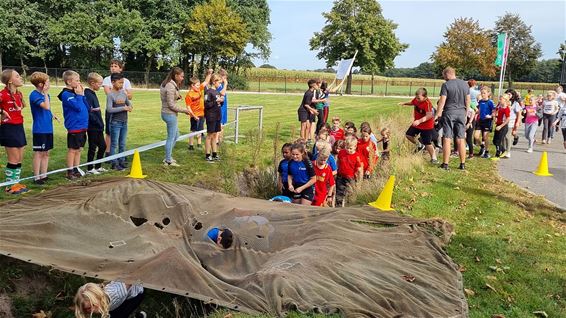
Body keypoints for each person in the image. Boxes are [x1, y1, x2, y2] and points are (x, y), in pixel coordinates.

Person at [435, 67, 470, 170]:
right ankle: (462, 164)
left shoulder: (446, 85)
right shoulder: (465, 84)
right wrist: (466, 113)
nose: (444, 78)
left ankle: (445, 164)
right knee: (461, 138)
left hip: (449, 113)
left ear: (447, 74)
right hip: (461, 113)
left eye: (444, 76)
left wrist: (437, 114)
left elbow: (442, 101)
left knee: (447, 137)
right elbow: (468, 100)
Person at [0, 69, 28, 194]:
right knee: (13, 158)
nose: (20, 77)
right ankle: (9, 186)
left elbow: (20, 107)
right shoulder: (2, 94)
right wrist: (1, 112)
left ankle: (16, 183)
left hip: (19, 127)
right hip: (8, 128)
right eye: (17, 76)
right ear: (10, 80)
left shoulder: (19, 94)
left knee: (20, 157)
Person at [58, 70, 89, 180]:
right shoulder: (66, 94)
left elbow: (86, 106)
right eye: (77, 80)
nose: (79, 82)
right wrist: (80, 96)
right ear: (69, 82)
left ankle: (76, 168)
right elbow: (78, 107)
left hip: (83, 126)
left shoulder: (77, 94)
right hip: (74, 127)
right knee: (73, 149)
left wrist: (82, 95)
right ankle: (70, 171)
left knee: (79, 149)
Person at [160, 67, 192, 167]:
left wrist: (177, 96)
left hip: (168, 113)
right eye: (181, 76)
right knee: (171, 137)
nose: (182, 78)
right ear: (176, 75)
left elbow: (169, 97)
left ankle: (168, 157)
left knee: (176, 135)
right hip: (169, 114)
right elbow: (171, 105)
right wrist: (185, 111)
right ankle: (168, 160)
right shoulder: (170, 86)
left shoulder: (169, 84)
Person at [29, 72, 56, 185]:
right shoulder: (34, 95)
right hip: (39, 129)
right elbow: (46, 106)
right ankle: (36, 177)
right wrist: (45, 93)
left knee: (46, 153)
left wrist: (52, 115)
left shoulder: (46, 95)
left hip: (48, 128)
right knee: (39, 153)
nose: (49, 83)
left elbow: (48, 109)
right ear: (41, 84)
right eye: (48, 81)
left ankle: (44, 175)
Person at [103, 59, 133, 159]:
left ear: (120, 68)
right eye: (111, 66)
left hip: (122, 115)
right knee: (109, 132)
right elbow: (109, 93)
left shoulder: (126, 81)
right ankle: (108, 153)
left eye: (115, 66)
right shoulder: (107, 79)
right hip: (113, 112)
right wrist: (122, 97)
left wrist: (123, 96)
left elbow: (130, 96)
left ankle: (121, 156)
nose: (113, 68)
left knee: (121, 138)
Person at [398, 88, 437, 163]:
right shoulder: (416, 99)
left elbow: (429, 115)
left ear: (425, 97)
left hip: (426, 126)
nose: (417, 99)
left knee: (427, 142)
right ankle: (419, 145)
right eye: (416, 97)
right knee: (408, 135)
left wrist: (419, 121)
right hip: (417, 123)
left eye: (419, 98)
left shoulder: (427, 103)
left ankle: (434, 158)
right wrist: (404, 103)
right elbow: (413, 103)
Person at [106, 73, 133, 171]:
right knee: (114, 144)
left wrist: (130, 107)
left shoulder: (123, 93)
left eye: (122, 83)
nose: (121, 85)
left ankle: (122, 161)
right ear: (113, 82)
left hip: (124, 122)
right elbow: (109, 109)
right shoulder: (110, 95)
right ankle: (114, 162)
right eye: (119, 82)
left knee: (122, 143)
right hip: (115, 123)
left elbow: (129, 104)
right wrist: (123, 108)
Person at [74, 282, 146, 318]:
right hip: (113, 304)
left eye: (93, 305)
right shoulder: (101, 303)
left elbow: (130, 280)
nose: (92, 310)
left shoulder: (117, 293)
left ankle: (140, 316)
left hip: (135, 295)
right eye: (88, 308)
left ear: (98, 297)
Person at [84, 72, 107, 174]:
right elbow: (89, 112)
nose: (101, 85)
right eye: (99, 83)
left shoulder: (93, 93)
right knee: (92, 147)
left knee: (102, 146)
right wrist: (97, 122)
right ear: (92, 83)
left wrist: (101, 123)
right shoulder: (87, 94)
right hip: (92, 126)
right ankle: (89, 168)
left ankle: (98, 166)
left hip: (98, 126)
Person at [185, 69, 212, 150]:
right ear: (192, 85)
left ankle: (199, 144)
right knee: (193, 130)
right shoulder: (189, 95)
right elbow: (188, 107)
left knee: (200, 129)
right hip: (194, 115)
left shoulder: (199, 89)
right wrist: (193, 116)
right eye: (197, 85)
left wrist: (209, 73)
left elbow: (206, 82)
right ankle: (191, 145)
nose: (199, 86)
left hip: (202, 114)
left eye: (199, 85)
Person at [335, 136, 363, 207]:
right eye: (347, 148)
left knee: (349, 194)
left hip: (350, 178)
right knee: (339, 192)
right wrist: (336, 171)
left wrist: (359, 182)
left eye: (350, 148)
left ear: (355, 147)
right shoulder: (341, 153)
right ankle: (338, 206)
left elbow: (359, 170)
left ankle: (348, 207)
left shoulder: (357, 156)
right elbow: (338, 162)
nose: (348, 150)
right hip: (341, 176)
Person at [204, 74, 225, 161]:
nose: (220, 85)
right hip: (211, 116)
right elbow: (207, 104)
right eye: (219, 82)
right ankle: (207, 154)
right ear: (214, 82)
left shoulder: (217, 92)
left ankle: (214, 153)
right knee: (209, 135)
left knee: (215, 134)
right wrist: (215, 101)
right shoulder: (208, 92)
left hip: (217, 116)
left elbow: (219, 104)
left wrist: (222, 101)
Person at [476, 87, 496, 158]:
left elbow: (494, 112)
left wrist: (490, 116)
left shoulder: (490, 102)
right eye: (481, 93)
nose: (483, 94)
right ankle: (482, 146)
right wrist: (477, 112)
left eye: (484, 93)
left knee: (485, 136)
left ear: (488, 93)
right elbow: (479, 109)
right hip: (480, 120)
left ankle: (487, 152)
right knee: (476, 137)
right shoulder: (480, 101)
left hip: (487, 121)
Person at [502, 89, 522, 158]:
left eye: (509, 94)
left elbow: (519, 113)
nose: (508, 95)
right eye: (507, 94)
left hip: (511, 121)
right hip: (503, 121)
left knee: (507, 136)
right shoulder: (502, 102)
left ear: (513, 95)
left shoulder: (515, 103)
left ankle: (508, 151)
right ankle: (504, 150)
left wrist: (518, 122)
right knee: (503, 137)